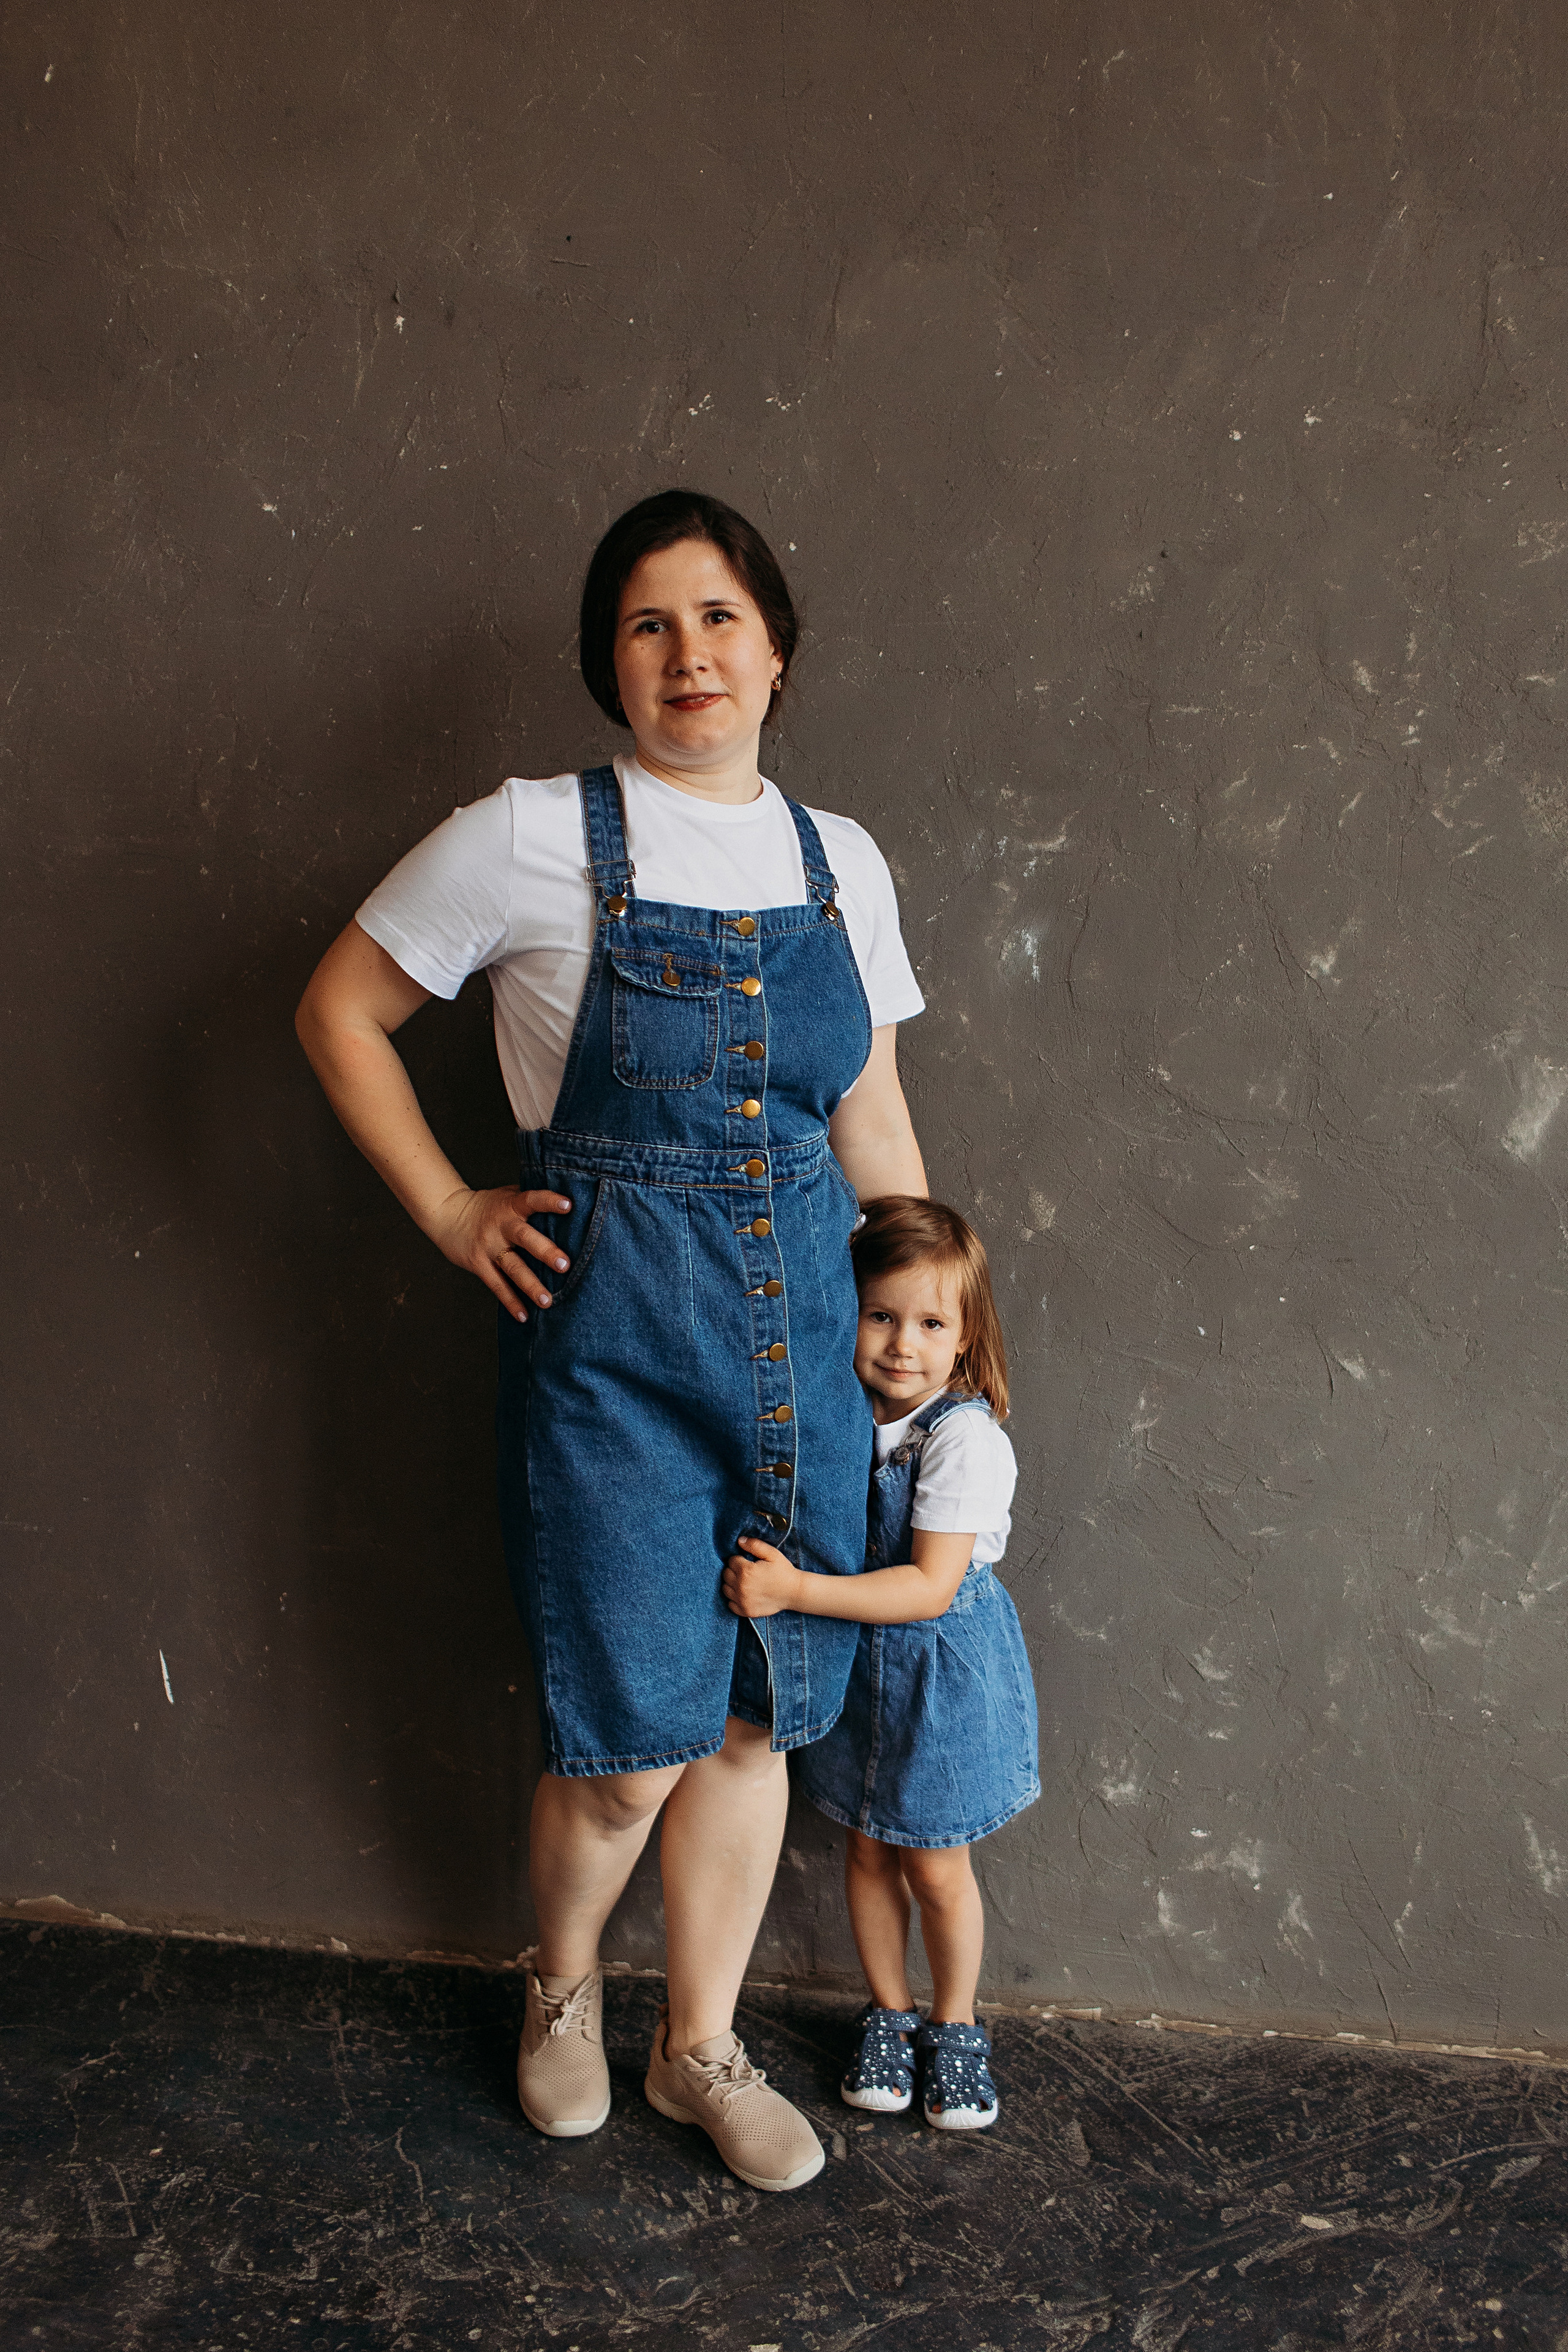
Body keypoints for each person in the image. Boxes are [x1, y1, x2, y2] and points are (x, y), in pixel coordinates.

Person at [295, 490, 927, 2193]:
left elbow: (871, 1122)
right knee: (630, 1742)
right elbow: (340, 1010)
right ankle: (564, 1992)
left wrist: (935, 1344)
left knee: (754, 1713)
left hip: (811, 1342)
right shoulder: (528, 836)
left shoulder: (839, 862)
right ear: (610, 667)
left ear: (776, 648)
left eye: (719, 616)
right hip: (613, 1353)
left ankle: (694, 2045)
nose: (689, 653)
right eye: (649, 625)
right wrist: (449, 1210)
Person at [722, 1196, 1038, 2133]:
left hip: (939, 1673)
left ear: (967, 1338)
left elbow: (929, 1589)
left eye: (932, 1323)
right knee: (865, 1844)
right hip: (865, 1668)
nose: (904, 1344)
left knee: (936, 1866)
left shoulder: (964, 1440)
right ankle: (889, 2013)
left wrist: (793, 1595)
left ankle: (956, 2022)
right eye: (882, 1315)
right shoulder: (841, 1414)